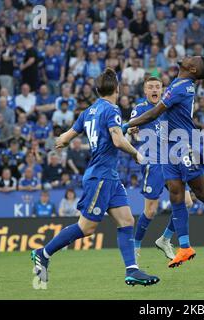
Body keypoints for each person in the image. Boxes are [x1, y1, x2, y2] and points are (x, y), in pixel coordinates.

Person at [31, 68, 159, 287]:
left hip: (109, 176)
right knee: (87, 228)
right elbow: (117, 141)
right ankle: (43, 252)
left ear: (98, 90)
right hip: (100, 176)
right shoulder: (112, 109)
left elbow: (66, 137)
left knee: (127, 220)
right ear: (117, 89)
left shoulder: (89, 111)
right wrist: (136, 153)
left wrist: (59, 142)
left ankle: (132, 270)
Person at [123, 56, 204, 266]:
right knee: (175, 195)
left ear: (191, 68)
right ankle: (182, 246)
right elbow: (151, 116)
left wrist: (126, 125)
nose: (185, 56)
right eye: (152, 86)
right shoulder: (178, 83)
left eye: (190, 58)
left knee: (200, 194)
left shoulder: (181, 88)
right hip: (167, 151)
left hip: (184, 145)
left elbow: (154, 113)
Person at [129, 77, 193, 260]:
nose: (155, 89)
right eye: (151, 87)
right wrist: (132, 129)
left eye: (158, 86)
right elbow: (131, 126)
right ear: (145, 91)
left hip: (171, 160)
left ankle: (165, 239)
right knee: (150, 211)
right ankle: (136, 247)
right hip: (153, 162)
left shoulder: (168, 105)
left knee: (187, 202)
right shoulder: (140, 109)